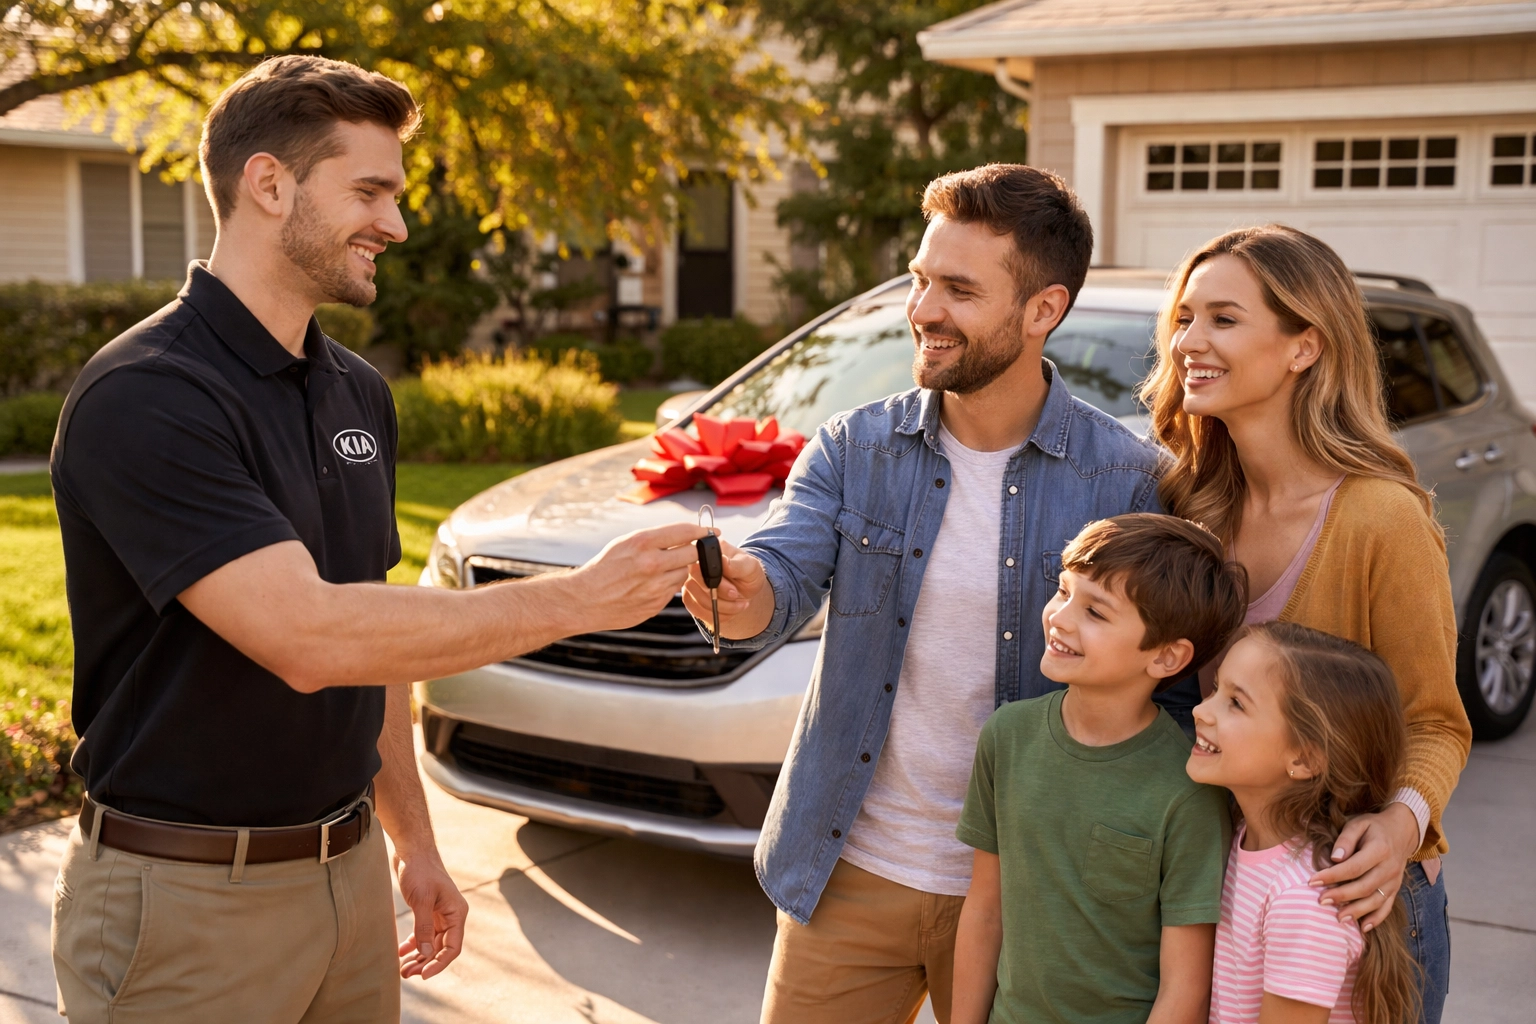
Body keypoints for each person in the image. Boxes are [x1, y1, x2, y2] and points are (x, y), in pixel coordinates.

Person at [49, 56, 707, 1023]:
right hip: (185, 901)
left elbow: (378, 640)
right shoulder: (149, 395)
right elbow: (314, 640)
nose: (395, 226)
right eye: (370, 191)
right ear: (268, 184)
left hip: (347, 880)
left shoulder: (357, 391)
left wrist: (416, 842)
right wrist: (574, 600)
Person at [680, 164, 1166, 1024]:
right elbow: (776, 588)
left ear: (1042, 311)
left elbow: (1163, 693)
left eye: (959, 290)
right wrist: (737, 590)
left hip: (1034, 886)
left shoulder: (1126, 479)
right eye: (920, 279)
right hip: (851, 868)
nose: (923, 309)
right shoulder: (853, 447)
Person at [1138, 224, 1471, 1022]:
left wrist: (1399, 825)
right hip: (1231, 886)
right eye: (1184, 317)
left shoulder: (1381, 520)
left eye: (1223, 318)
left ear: (1303, 347)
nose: (1189, 341)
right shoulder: (1191, 510)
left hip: (1358, 904)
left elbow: (1434, 721)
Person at [951, 514, 1246, 1024]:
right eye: (1063, 591)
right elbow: (984, 911)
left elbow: (1186, 987)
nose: (1060, 618)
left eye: (1096, 612)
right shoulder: (1007, 736)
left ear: (1167, 656)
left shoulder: (1189, 787)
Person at [1190, 622, 1421, 1024]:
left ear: (1304, 760)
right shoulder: (1242, 840)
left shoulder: (1304, 900)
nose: (1200, 710)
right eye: (1214, 690)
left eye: (1236, 703)